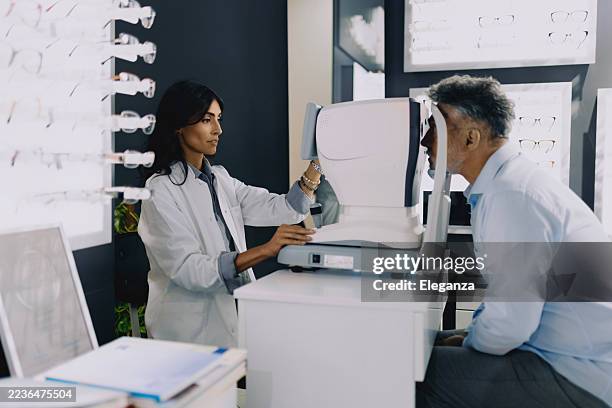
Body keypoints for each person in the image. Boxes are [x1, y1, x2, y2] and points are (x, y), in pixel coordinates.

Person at [418, 75, 612, 408]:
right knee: (427, 349)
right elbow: (510, 300)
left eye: (436, 125)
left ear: (471, 138)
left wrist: (470, 342)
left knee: (409, 378)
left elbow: (511, 323)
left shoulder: (511, 196)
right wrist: (470, 336)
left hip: (574, 373)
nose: (424, 140)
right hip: (569, 355)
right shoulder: (509, 185)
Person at [138, 80, 322, 347]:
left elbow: (283, 207)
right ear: (179, 125)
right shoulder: (159, 191)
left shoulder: (221, 179)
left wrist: (318, 163)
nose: (218, 129)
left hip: (231, 316)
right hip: (185, 334)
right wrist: (266, 250)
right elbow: (190, 270)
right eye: (206, 119)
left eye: (219, 119)